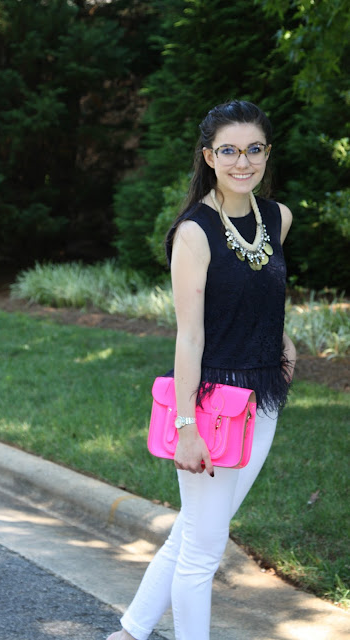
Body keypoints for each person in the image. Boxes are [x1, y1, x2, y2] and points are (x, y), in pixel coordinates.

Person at [107, 100, 297, 640]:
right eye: (230, 150)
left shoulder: (277, 218)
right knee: (206, 549)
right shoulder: (194, 232)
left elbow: (264, 297)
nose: (243, 162)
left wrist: (284, 348)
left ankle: (131, 631)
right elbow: (189, 335)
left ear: (266, 153)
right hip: (214, 404)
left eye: (254, 149)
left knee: (194, 529)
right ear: (209, 156)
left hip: (262, 398)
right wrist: (186, 427)